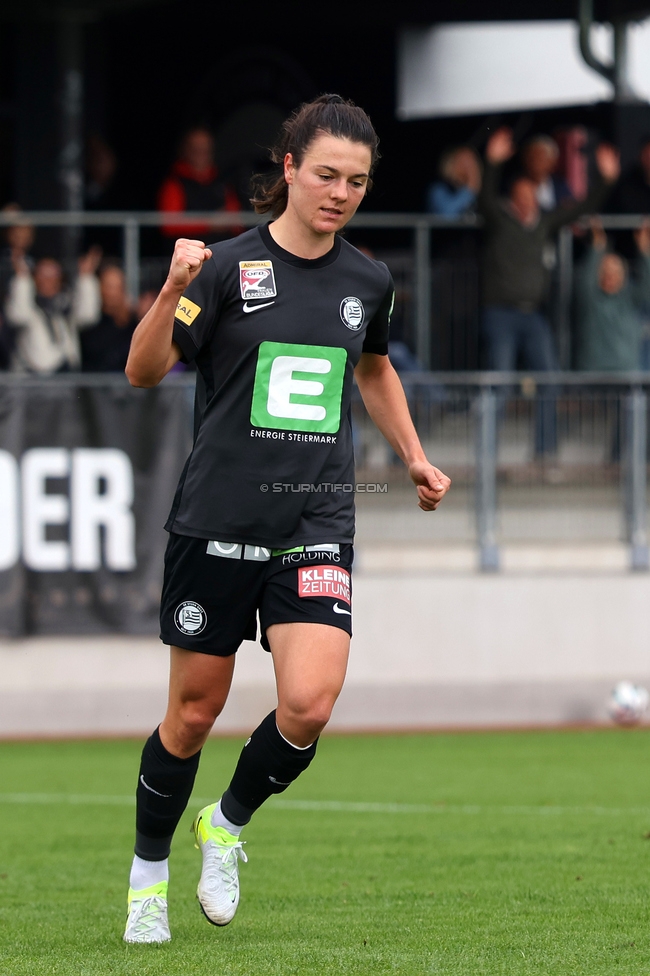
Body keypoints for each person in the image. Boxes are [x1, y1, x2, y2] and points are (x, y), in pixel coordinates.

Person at [123, 94, 451, 944]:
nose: (341, 193)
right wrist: (170, 290)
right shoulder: (227, 268)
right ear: (291, 170)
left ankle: (225, 825)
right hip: (216, 521)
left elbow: (373, 369)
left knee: (309, 702)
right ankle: (148, 875)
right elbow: (142, 370)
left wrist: (412, 454)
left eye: (358, 182)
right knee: (193, 715)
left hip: (316, 518)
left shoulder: (368, 281)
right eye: (328, 175)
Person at [479, 127, 620, 453]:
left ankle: (544, 451)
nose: (529, 203)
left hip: (533, 315)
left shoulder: (544, 222)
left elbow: (581, 209)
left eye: (533, 197)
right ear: (513, 199)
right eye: (523, 197)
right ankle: (489, 453)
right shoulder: (500, 219)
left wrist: (606, 180)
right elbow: (485, 197)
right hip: (500, 312)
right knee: (498, 385)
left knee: (549, 380)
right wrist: (492, 162)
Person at [5, 247, 102, 374]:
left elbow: (88, 316)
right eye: (43, 275)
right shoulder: (29, 307)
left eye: (53, 275)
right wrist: (22, 278)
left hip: (65, 378)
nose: (48, 280)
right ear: (34, 278)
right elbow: (18, 315)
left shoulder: (66, 307)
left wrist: (86, 277)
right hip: (31, 380)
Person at [576, 220, 650, 371]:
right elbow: (585, 279)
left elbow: (647, 284)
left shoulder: (630, 299)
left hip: (625, 375)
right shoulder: (590, 298)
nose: (610, 276)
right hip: (592, 374)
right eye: (605, 271)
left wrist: (644, 250)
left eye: (616, 272)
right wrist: (598, 247)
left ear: (624, 276)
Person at [157, 127, 241, 241]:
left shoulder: (222, 182)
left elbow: (237, 220)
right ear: (185, 150)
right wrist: (209, 224)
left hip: (221, 251)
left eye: (206, 149)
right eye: (196, 149)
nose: (201, 153)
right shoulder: (174, 184)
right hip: (186, 254)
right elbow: (169, 226)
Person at [80, 262, 138, 372]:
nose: (113, 293)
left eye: (118, 287)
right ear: (100, 288)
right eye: (109, 286)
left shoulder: (133, 322)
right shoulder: (90, 322)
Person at [521, 135, 574, 212]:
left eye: (540, 158)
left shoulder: (561, 186)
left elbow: (570, 210)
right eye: (531, 157)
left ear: (552, 162)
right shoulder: (518, 186)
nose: (534, 163)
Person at [426, 145, 482, 216]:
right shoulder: (438, 189)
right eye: (464, 160)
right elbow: (447, 214)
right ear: (450, 164)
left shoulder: (484, 191)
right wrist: (471, 187)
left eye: (473, 159)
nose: (470, 165)